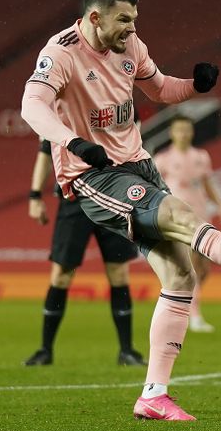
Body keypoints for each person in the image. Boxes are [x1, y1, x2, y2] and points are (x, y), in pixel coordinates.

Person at [21, 0, 221, 421]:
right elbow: (31, 106)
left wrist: (195, 85)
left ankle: (153, 395)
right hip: (95, 175)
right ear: (94, 18)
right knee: (185, 218)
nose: (131, 28)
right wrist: (73, 143)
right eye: (123, 19)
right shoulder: (61, 53)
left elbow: (161, 89)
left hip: (140, 166)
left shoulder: (131, 46)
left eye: (134, 20)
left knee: (180, 277)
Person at [25, 135, 146, 366]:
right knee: (61, 275)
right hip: (75, 199)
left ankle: (127, 351)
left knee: (118, 273)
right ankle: (45, 350)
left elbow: (135, 150)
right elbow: (45, 151)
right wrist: (34, 195)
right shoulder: (63, 110)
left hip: (113, 197)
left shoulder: (119, 102)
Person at [154, 115, 221, 333]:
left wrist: (220, 205)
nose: (183, 134)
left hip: (201, 216)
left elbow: (207, 183)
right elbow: (153, 188)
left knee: (203, 269)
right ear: (172, 132)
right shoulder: (162, 159)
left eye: (187, 129)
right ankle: (193, 315)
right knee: (190, 269)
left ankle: (186, 310)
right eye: (179, 130)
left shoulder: (201, 156)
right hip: (178, 220)